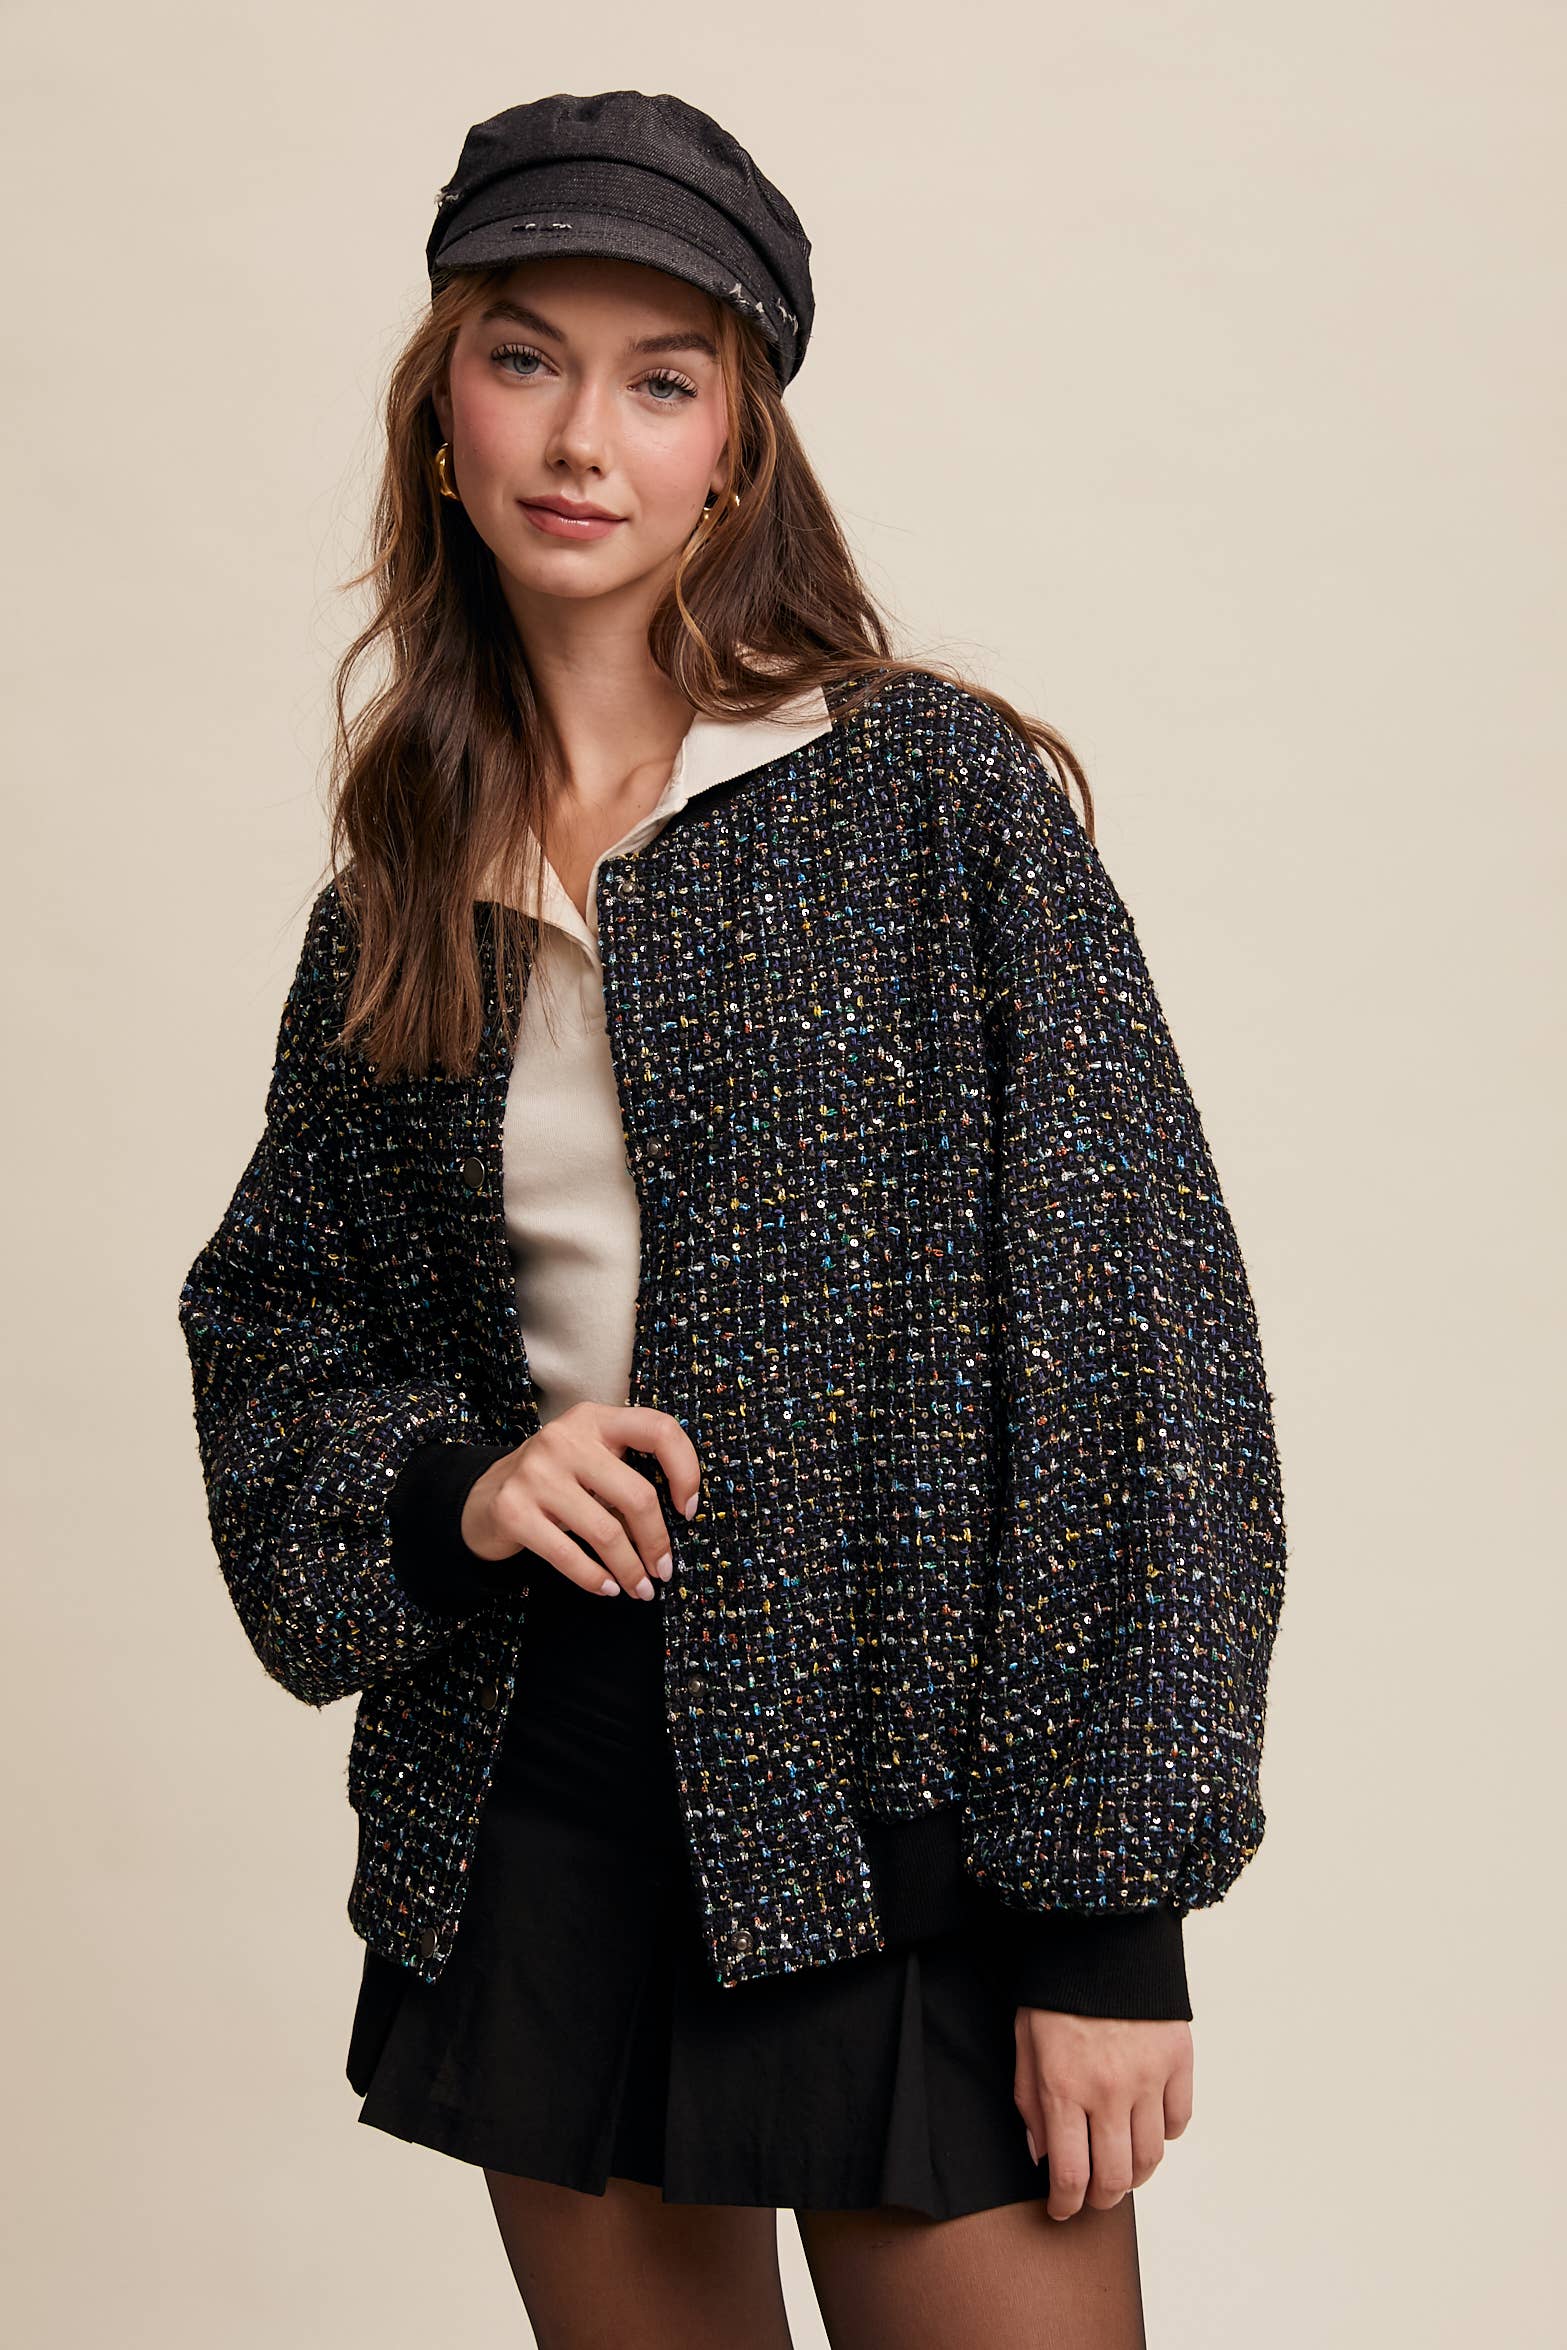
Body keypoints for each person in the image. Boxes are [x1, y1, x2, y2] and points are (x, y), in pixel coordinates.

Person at [177, 89, 1288, 2350]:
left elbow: (1144, 1348)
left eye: (660, 380)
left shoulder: (930, 801)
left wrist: (1107, 1923)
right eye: (524, 356)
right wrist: (459, 1482)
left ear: (736, 450)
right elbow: (270, 1323)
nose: (583, 435)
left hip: (913, 1825)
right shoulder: (400, 890)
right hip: (547, 1809)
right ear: (443, 413)